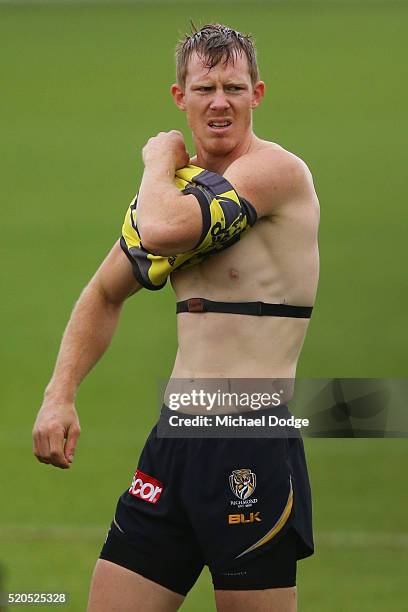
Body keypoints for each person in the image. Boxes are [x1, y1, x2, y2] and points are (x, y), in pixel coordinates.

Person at [32, 24, 319, 612]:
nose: (220, 102)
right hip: (173, 441)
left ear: (257, 95)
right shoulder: (175, 190)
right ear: (180, 97)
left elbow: (163, 229)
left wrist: (156, 158)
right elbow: (103, 293)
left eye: (234, 88)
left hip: (248, 442)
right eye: (206, 87)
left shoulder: (276, 173)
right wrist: (59, 393)